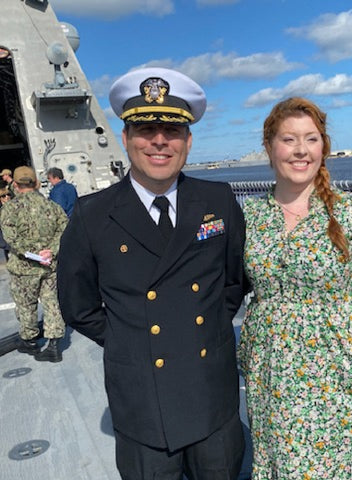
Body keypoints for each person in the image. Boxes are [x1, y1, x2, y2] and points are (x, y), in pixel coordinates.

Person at [57, 67, 247, 480]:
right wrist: (133, 338)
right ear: (125, 139)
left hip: (211, 396)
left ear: (188, 141)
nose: (159, 140)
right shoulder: (92, 215)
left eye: (172, 130)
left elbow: (234, 283)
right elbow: (78, 306)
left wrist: (205, 327)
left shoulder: (218, 200)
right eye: (145, 128)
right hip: (142, 404)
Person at [237, 97, 352, 479]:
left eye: (311, 139)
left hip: (342, 370)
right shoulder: (248, 216)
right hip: (274, 372)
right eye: (289, 140)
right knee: (287, 463)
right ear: (269, 147)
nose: (301, 150)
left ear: (324, 147)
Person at [0, 166, 68, 362]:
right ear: (36, 184)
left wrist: (33, 254)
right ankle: (54, 345)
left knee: (26, 305)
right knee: (52, 302)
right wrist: (50, 251)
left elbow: (11, 239)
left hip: (24, 268)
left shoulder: (9, 209)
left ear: (16, 185)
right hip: (49, 265)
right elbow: (64, 231)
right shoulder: (52, 207)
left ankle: (30, 342)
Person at [0, 186, 12, 260]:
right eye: (3, 196)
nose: (7, 197)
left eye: (8, 194)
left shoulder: (15, 207)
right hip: (6, 241)